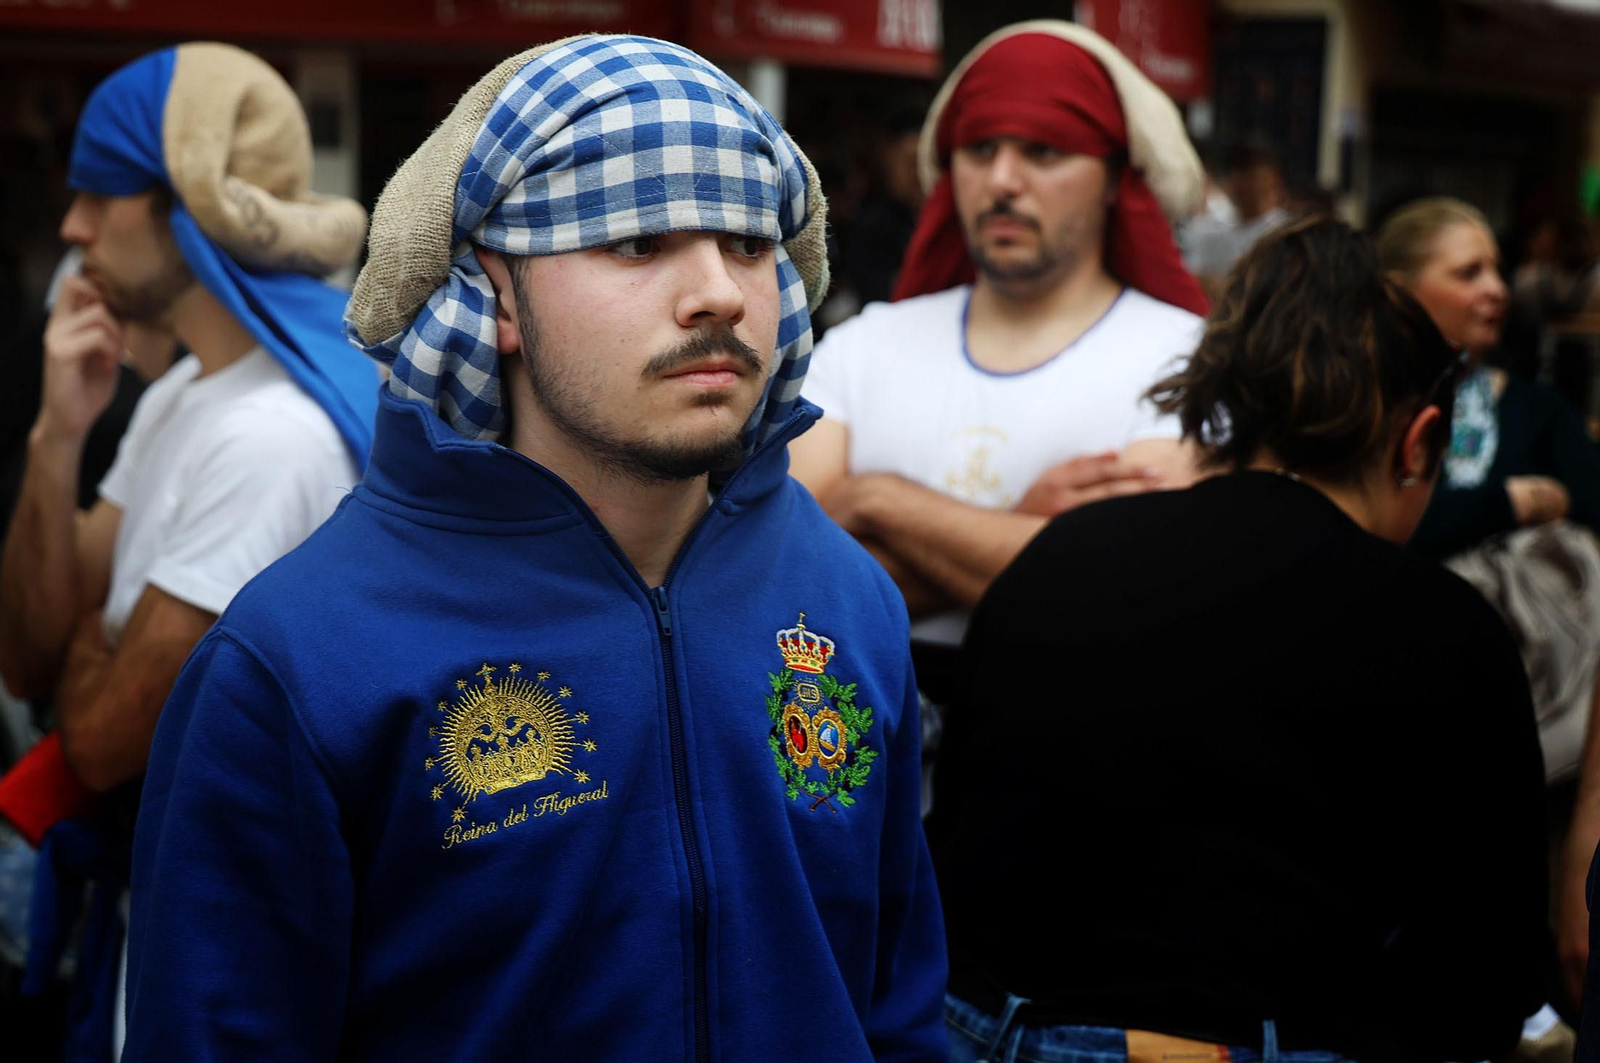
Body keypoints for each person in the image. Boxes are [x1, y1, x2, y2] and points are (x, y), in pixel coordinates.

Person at [124, 35, 946, 1062]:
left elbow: (900, 1006)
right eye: (635, 243)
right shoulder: (299, 659)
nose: (720, 294)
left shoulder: (845, 601)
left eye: (746, 243)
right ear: (494, 293)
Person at [929, 216, 1548, 1063]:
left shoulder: (1060, 552)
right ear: (1417, 443)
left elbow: (955, 834)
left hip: (981, 1031)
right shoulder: (1450, 631)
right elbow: (1486, 977)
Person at [789, 20, 1209, 697]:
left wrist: (875, 499)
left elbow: (1120, 590)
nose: (1003, 181)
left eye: (1043, 150)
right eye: (979, 149)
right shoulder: (863, 345)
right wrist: (1027, 529)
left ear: (1113, 180)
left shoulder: (1186, 359)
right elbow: (782, 576)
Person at [1378, 197, 1600, 1011]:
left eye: (1496, 269)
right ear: (1400, 287)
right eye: (1466, 272)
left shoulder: (1533, 403)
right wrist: (1506, 501)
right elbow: (1374, 526)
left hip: (1530, 733)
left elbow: (1591, 498)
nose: (1496, 289)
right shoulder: (1362, 404)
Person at [1187, 139, 1290, 289]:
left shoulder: (1283, 233)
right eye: (1239, 173)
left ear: (1272, 180)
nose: (1245, 186)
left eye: (1254, 178)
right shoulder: (1212, 227)